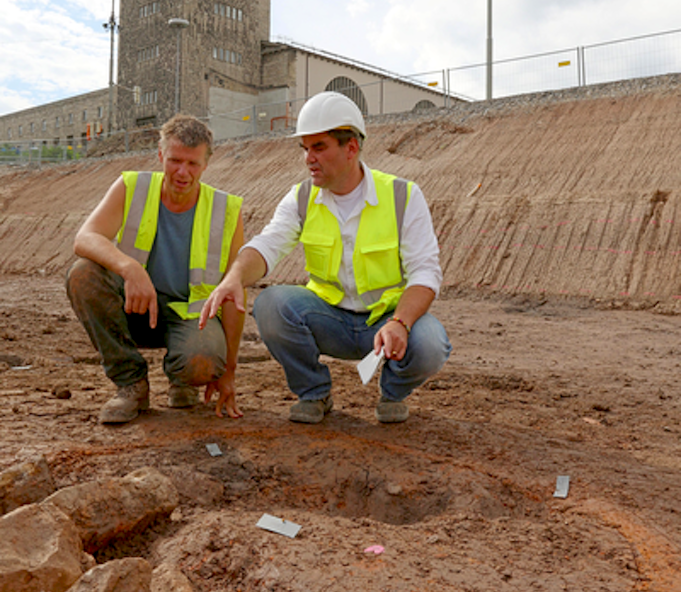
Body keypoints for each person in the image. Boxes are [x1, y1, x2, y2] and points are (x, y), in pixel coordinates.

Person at [199, 91, 451, 424]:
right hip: (328, 318)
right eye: (305, 148)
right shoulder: (302, 197)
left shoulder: (403, 196)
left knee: (431, 343)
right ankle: (314, 393)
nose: (308, 158)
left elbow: (425, 274)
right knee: (271, 305)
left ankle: (393, 393)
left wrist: (400, 322)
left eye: (319, 147)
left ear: (351, 148)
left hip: (387, 320)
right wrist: (234, 278)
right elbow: (268, 244)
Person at [67, 114, 245, 425]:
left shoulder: (226, 210)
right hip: (135, 307)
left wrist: (228, 371)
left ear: (206, 163)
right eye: (175, 160)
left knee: (201, 364)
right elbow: (85, 238)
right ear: (161, 155)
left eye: (193, 164)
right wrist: (130, 267)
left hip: (190, 315)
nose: (182, 172)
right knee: (82, 274)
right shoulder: (132, 186)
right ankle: (131, 384)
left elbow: (234, 293)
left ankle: (183, 379)